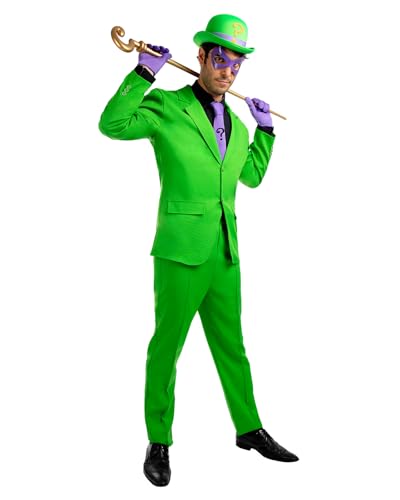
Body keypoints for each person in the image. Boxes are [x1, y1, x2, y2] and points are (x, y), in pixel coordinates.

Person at [99, 13, 299, 487]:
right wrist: (143, 73)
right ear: (202, 57)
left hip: (225, 252)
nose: (228, 71)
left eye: (236, 65)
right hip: (180, 250)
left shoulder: (240, 125)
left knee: (233, 347)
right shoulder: (168, 106)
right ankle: (159, 439)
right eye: (220, 60)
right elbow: (113, 124)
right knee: (166, 348)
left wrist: (265, 132)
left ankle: (249, 429)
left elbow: (251, 177)